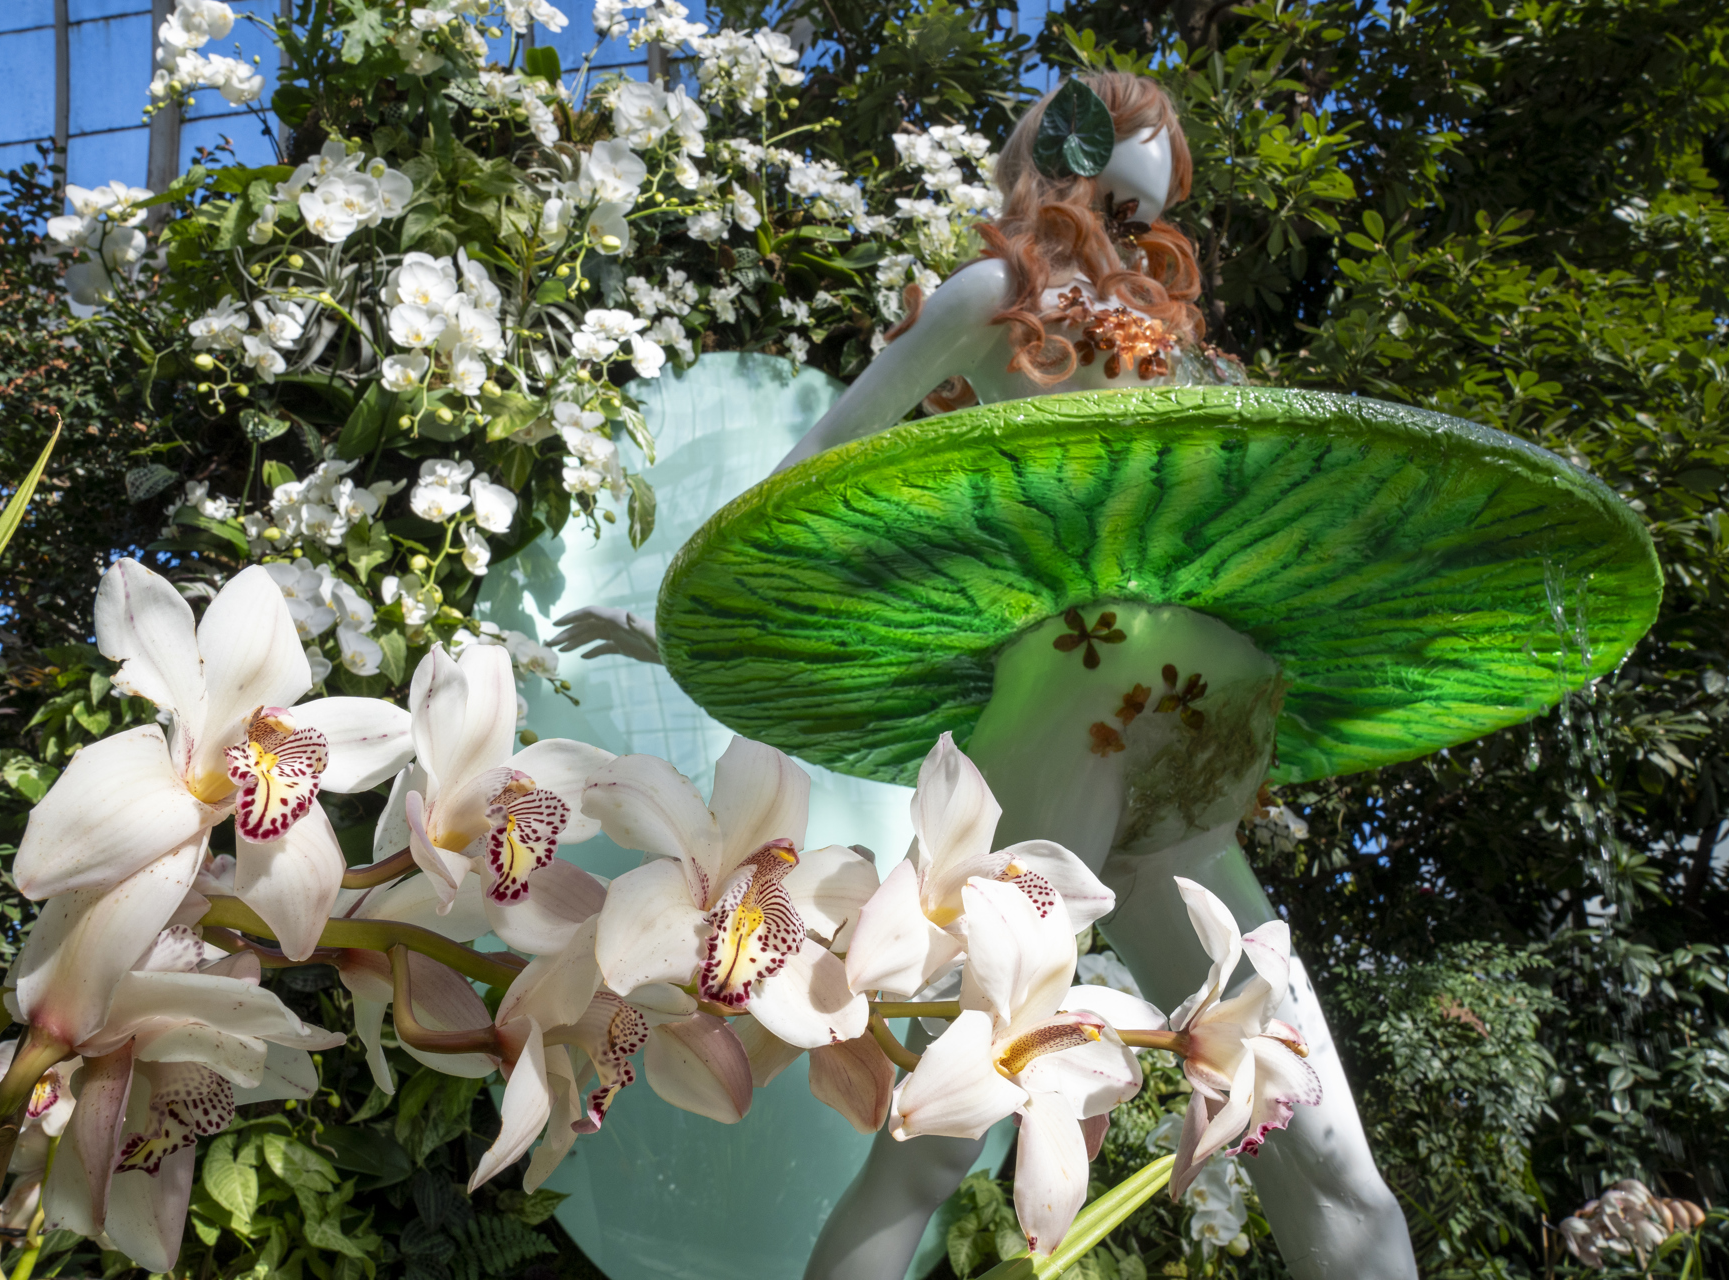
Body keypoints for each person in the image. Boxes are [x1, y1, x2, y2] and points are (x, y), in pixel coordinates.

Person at [553, 70, 1415, 1280]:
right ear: (1041, 164)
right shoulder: (991, 300)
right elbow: (812, 472)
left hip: (1190, 753)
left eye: (1135, 209)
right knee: (937, 1138)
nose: (1111, 230)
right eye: (1096, 190)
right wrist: (670, 617)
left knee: (1334, 1161)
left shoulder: (1173, 353)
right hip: (1070, 718)